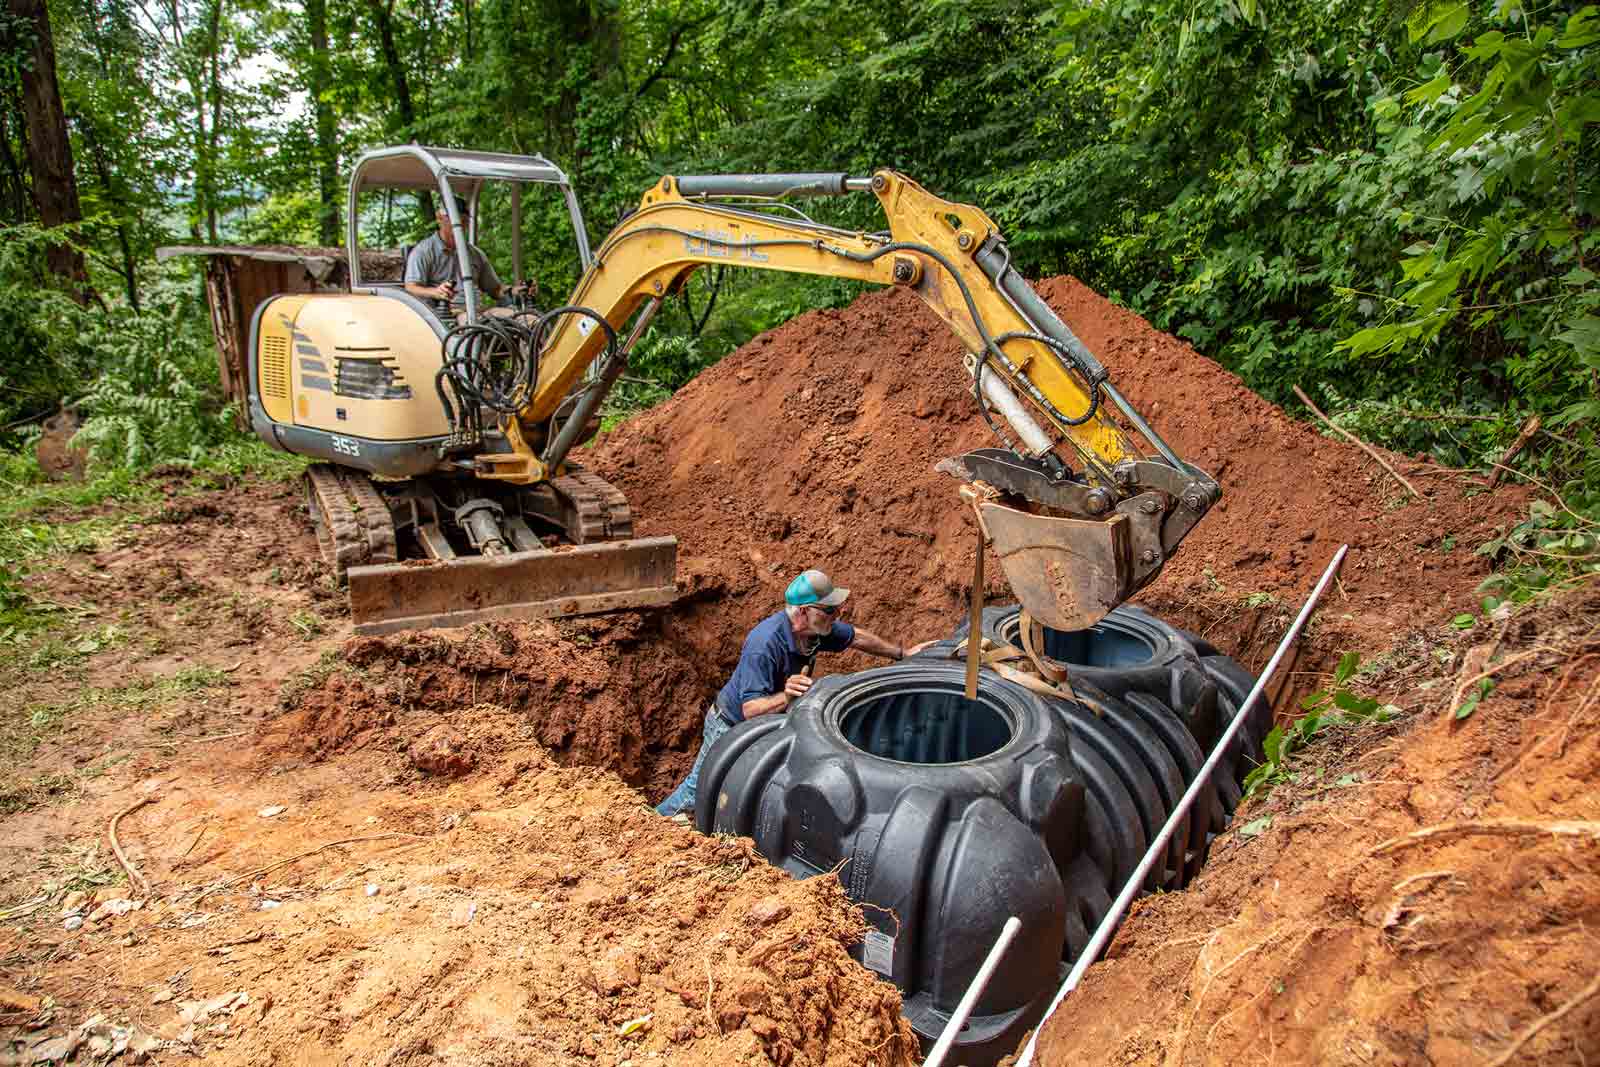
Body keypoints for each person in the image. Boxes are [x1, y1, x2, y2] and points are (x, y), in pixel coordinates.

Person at [656, 568, 935, 819]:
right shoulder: (765, 643)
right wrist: (786, 697)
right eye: (828, 610)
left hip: (766, 725)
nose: (836, 615)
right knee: (699, 791)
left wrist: (902, 653)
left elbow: (856, 637)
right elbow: (749, 709)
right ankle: (651, 825)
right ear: (803, 612)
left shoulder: (816, 630)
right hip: (729, 725)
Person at [403, 196, 534, 318]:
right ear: (439, 218)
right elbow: (411, 287)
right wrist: (436, 292)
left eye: (463, 221)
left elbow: (495, 289)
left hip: (480, 311)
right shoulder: (423, 251)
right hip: (450, 315)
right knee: (472, 324)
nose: (459, 226)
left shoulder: (475, 254)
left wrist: (515, 290)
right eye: (454, 221)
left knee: (524, 319)